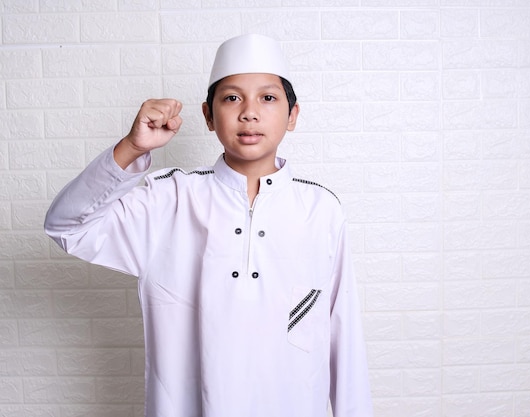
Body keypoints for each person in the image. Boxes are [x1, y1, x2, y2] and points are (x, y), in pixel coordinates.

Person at [44, 34, 373, 417]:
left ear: (293, 115)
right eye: (232, 98)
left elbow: (343, 336)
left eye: (268, 98)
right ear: (207, 115)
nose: (249, 112)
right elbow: (67, 227)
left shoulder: (320, 209)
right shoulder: (169, 198)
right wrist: (133, 148)